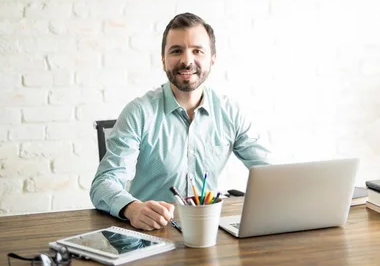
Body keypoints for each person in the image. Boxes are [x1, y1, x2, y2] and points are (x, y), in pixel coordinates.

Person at [90, 13, 272, 231]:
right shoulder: (139, 112)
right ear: (163, 60)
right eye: (176, 51)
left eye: (197, 51)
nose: (187, 61)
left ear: (212, 58)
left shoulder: (230, 113)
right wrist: (132, 208)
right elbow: (103, 184)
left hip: (208, 232)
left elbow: (271, 174)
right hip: (151, 235)